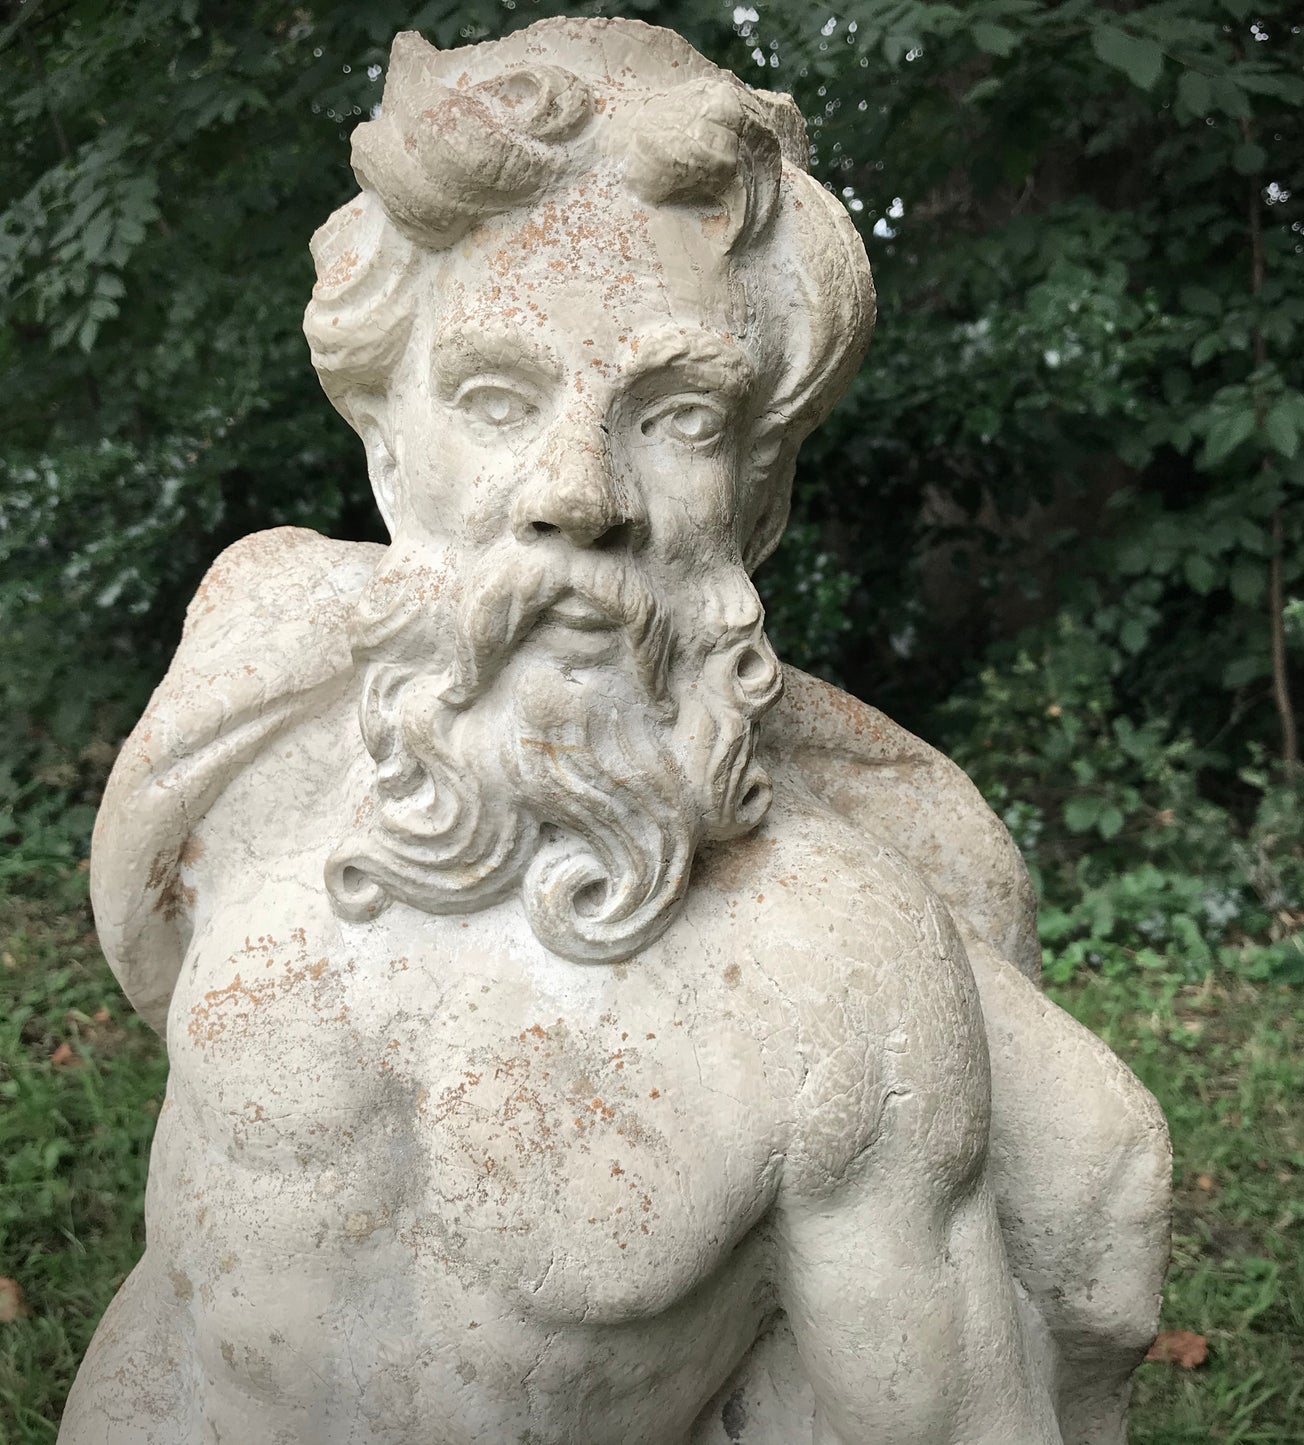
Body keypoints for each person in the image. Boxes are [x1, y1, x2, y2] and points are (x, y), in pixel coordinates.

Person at [63, 19, 1168, 1444]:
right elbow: (177, 1312)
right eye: (494, 397)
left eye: (678, 417)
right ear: (387, 441)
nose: (574, 493)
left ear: (755, 493)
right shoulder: (237, 772)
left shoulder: (830, 970)